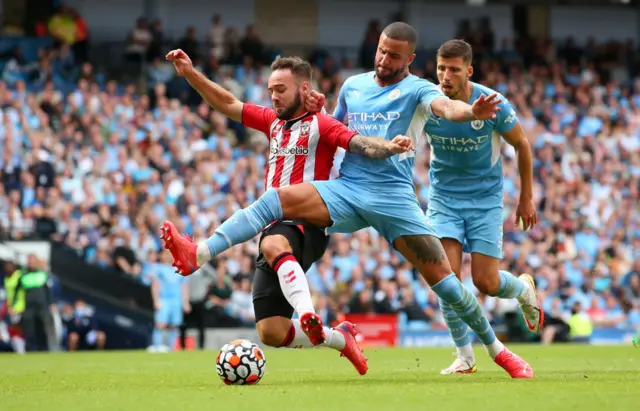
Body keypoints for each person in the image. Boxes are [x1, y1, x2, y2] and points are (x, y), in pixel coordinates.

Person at [162, 22, 534, 378]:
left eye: (394, 56)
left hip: (393, 198)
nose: (384, 59)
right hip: (348, 189)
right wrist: (320, 108)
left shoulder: (420, 90)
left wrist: (470, 111)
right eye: (381, 51)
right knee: (274, 199)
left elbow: (446, 108)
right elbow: (334, 128)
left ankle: (497, 351)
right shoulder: (353, 86)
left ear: (410, 59)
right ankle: (199, 253)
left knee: (448, 283)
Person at [163, 49, 412, 375]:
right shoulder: (272, 122)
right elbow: (226, 103)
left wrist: (388, 147)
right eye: (270, 90)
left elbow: (357, 143)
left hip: (308, 219)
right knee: (272, 332)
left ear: (304, 89)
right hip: (274, 223)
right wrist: (190, 74)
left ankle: (204, 255)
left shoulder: (322, 124)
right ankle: (341, 338)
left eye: (280, 89)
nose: (273, 96)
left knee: (272, 244)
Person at [421, 39, 543, 374]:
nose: (446, 75)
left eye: (454, 69)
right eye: (441, 68)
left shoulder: (493, 103)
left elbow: (521, 144)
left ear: (468, 71)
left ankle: (522, 289)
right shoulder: (427, 103)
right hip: (444, 199)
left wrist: (526, 196)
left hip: (485, 201)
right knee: (447, 279)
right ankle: (465, 356)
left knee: (486, 283)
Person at [149, 252, 190, 352]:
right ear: (162, 256)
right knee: (161, 323)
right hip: (164, 299)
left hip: (176, 300)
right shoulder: (158, 269)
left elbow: (184, 287)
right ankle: (156, 346)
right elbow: (155, 285)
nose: (168, 256)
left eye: (171, 254)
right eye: (166, 254)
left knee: (174, 325)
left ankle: (172, 348)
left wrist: (185, 302)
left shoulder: (181, 269)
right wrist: (156, 300)